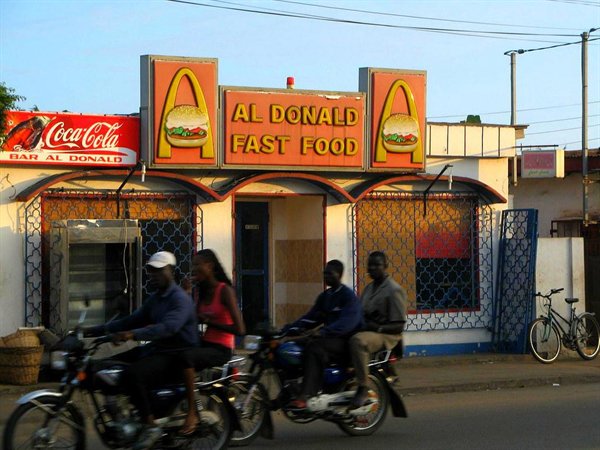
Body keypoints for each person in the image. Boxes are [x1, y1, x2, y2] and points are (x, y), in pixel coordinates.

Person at [85, 251, 199, 450]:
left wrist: (132, 335)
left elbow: (168, 328)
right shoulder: (156, 299)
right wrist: (95, 330)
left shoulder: (179, 299)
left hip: (176, 353)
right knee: (108, 366)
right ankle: (125, 413)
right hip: (158, 349)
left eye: (159, 270)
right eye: (151, 271)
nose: (154, 275)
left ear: (171, 271)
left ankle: (150, 426)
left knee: (133, 374)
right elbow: (131, 320)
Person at [178, 249, 246, 435]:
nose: (194, 269)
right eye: (193, 265)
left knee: (185, 358)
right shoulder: (201, 292)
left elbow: (240, 329)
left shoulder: (224, 291)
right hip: (206, 344)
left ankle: (192, 412)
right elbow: (192, 318)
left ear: (210, 266)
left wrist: (210, 322)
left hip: (222, 348)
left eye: (197, 265)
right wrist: (185, 293)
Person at [285, 259, 363, 410]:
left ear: (339, 275)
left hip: (344, 341)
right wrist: (288, 329)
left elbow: (347, 323)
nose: (326, 276)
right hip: (328, 338)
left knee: (314, 347)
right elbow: (311, 317)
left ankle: (307, 394)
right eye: (324, 273)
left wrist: (323, 332)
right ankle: (289, 389)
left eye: (329, 273)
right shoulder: (325, 296)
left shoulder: (348, 297)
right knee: (291, 346)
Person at [349, 251, 407, 409]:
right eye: (370, 265)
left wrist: (377, 327)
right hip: (369, 330)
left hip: (385, 335)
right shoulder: (369, 288)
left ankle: (363, 388)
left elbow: (399, 326)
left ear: (385, 266)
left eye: (377, 265)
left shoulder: (394, 290)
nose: (372, 268)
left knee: (358, 341)